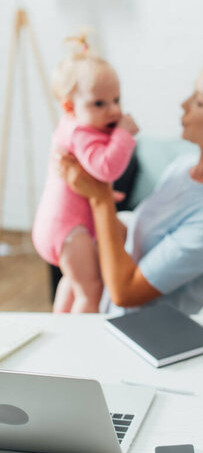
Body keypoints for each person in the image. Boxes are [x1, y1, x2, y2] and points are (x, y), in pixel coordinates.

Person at [57, 52, 203, 315]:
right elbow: (138, 242)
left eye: (199, 102)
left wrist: (100, 198)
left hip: (143, 343)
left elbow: (126, 293)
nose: (183, 104)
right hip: (105, 318)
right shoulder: (183, 167)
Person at [32, 35, 138, 313]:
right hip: (69, 229)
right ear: (70, 106)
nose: (113, 109)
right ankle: (81, 344)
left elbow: (89, 174)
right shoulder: (80, 131)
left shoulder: (74, 124)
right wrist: (124, 135)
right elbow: (105, 166)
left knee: (75, 282)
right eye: (99, 104)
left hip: (64, 224)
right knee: (90, 291)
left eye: (116, 99)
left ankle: (59, 328)